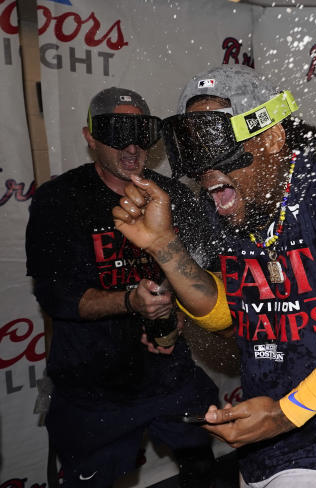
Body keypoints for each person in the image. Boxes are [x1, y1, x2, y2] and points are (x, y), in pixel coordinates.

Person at [111, 65, 316, 488]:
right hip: (265, 440)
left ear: (271, 137)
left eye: (214, 143)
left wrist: (288, 411)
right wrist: (164, 246)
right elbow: (229, 316)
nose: (204, 167)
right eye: (193, 148)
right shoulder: (225, 203)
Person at [25, 87, 218, 488]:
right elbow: (56, 296)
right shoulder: (60, 201)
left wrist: (177, 317)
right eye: (116, 131)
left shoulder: (175, 196)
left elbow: (202, 273)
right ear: (90, 136)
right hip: (94, 390)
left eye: (141, 132)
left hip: (170, 378)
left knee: (205, 473)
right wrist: (131, 301)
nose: (131, 146)